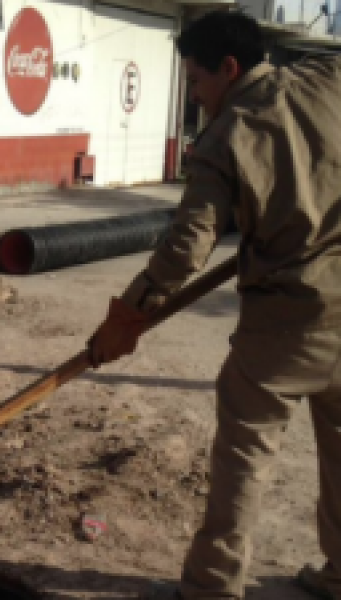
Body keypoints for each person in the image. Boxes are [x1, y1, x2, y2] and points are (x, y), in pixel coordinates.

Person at [87, 10, 341, 600]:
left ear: (229, 69)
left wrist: (125, 320)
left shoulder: (224, 140)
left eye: (196, 81)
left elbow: (183, 251)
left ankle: (213, 587)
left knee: (244, 458)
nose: (196, 96)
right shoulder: (329, 80)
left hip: (284, 326)